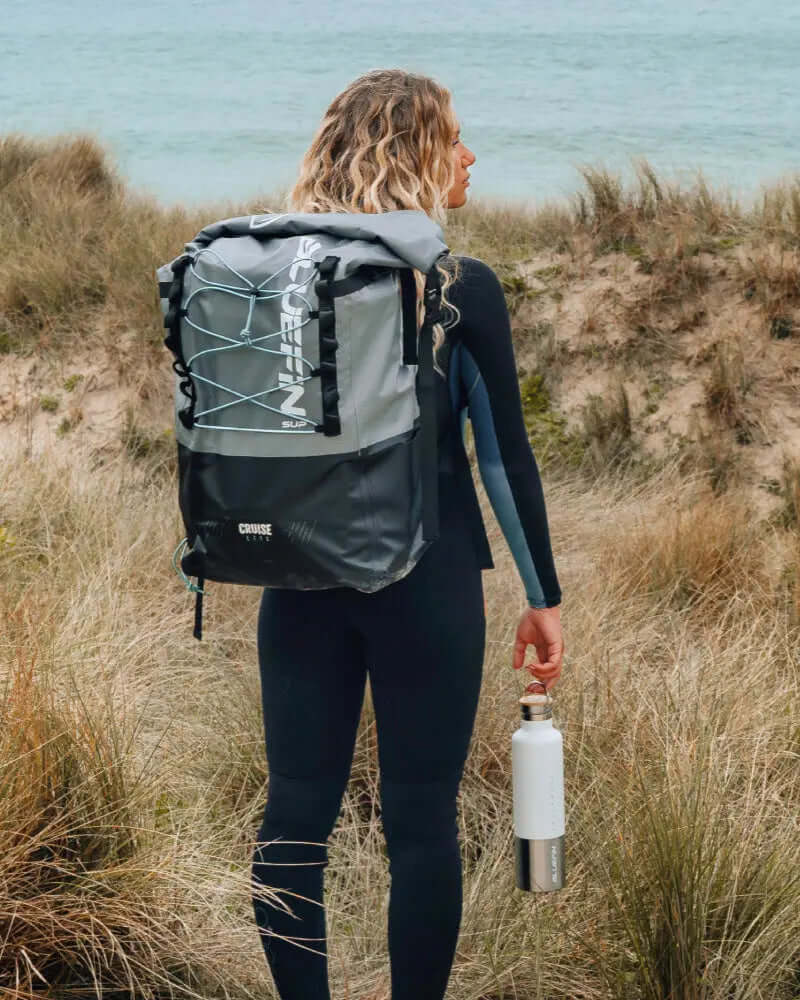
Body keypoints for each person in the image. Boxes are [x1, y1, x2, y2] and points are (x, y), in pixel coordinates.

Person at [251, 69, 564, 1000]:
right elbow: (504, 461)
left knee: (294, 816)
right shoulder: (458, 286)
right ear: (415, 151)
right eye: (456, 137)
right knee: (421, 820)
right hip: (425, 583)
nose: (470, 156)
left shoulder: (277, 277)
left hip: (298, 579)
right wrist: (542, 600)